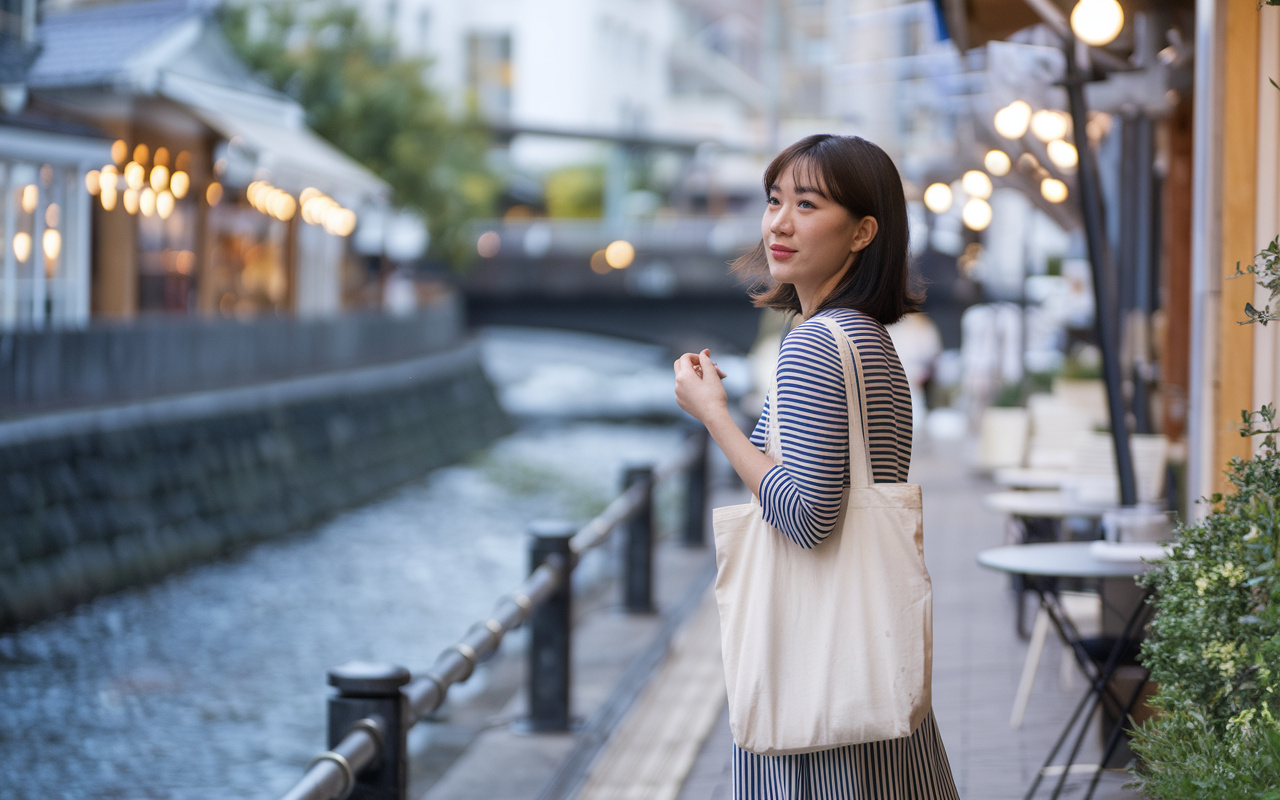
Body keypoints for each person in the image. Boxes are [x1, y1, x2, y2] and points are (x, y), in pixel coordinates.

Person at [673, 134, 959, 799]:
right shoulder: (868, 338)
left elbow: (807, 516)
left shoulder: (812, 346)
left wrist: (714, 416)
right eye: (774, 200)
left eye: (807, 205)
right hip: (868, 663)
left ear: (862, 232)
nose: (778, 223)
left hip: (817, 682)